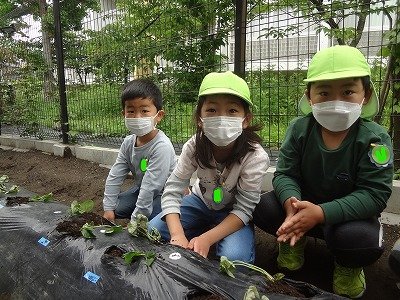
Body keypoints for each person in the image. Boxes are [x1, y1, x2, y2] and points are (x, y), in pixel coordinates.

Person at [253, 45, 393, 298]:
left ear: (366, 94)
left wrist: (321, 213)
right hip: (302, 209)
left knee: (360, 240)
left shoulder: (375, 139)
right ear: (309, 96)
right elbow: (285, 174)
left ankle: (347, 266)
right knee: (263, 206)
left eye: (348, 91)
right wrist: (291, 205)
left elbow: (375, 194)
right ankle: (296, 239)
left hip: (347, 218)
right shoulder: (299, 129)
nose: (336, 101)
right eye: (324, 92)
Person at [149, 71, 270, 263]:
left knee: (235, 258)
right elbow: (172, 191)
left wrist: (206, 239)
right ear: (199, 118)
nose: (222, 118)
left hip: (232, 213)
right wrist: (177, 235)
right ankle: (200, 228)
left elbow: (244, 209)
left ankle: (208, 233)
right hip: (199, 202)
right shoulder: (194, 146)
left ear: (245, 120)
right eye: (212, 110)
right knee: (152, 230)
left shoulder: (255, 156)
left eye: (232, 111)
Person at [103, 78, 176, 222]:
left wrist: (135, 221)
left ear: (159, 115)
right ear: (123, 114)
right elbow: (115, 175)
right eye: (131, 111)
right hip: (142, 189)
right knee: (116, 207)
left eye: (144, 111)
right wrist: (108, 208)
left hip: (166, 194)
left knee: (153, 220)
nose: (137, 116)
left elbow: (151, 188)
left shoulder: (162, 147)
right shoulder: (128, 143)